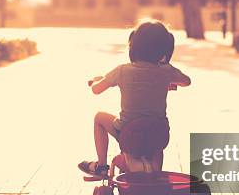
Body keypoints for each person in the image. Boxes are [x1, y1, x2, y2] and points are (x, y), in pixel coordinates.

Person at [78, 19, 191, 177]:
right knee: (156, 146)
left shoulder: (122, 71)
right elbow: (187, 81)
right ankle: (153, 170)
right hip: (159, 133)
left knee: (99, 118)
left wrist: (95, 82)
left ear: (134, 45)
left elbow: (96, 90)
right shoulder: (166, 71)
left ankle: (102, 166)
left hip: (129, 132)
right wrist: (168, 75)